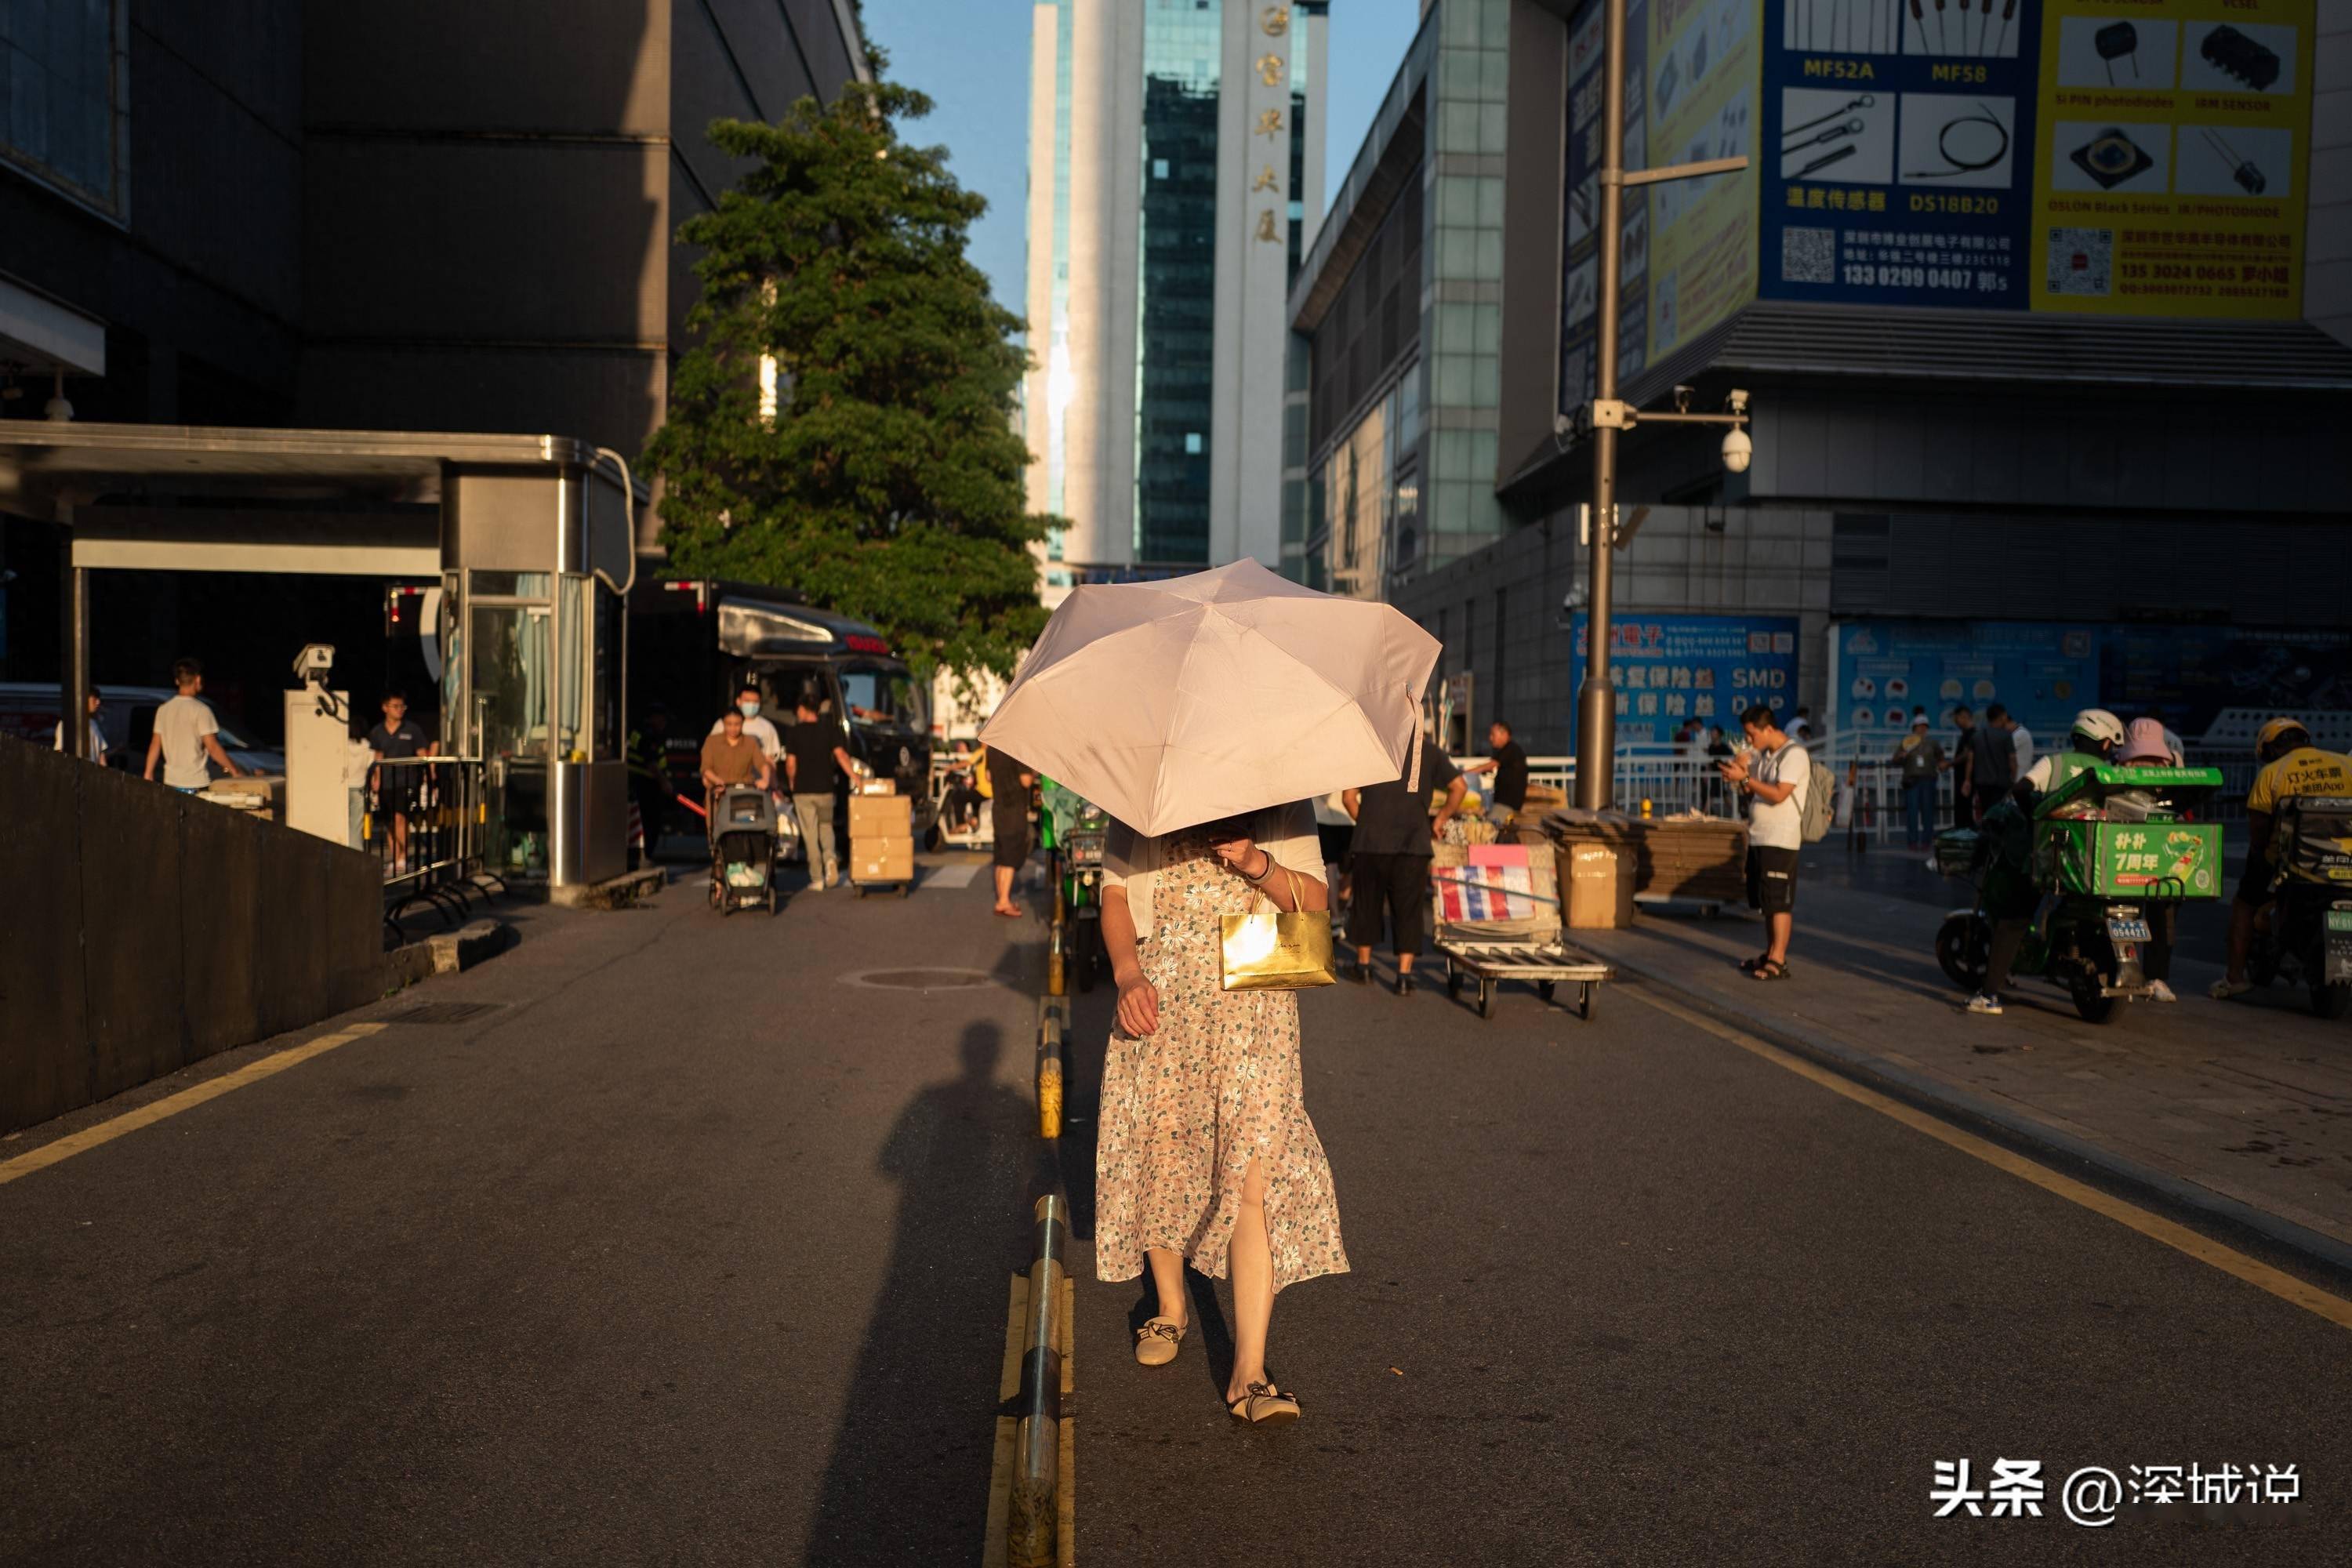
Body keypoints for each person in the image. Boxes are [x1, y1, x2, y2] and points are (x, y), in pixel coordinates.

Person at [1095, 799, 1342, 1425]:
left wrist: (1256, 862)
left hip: (1255, 997)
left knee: (1253, 1172)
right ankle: (1172, 1305)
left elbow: (1314, 906)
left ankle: (1249, 1373)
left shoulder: (1285, 796)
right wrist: (1128, 977)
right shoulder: (1145, 793)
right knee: (1167, 1153)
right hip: (1165, 992)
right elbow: (1117, 897)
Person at [2212, 717, 2352, 1001]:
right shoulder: (2346, 766)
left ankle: (2235, 978)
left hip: (2293, 866)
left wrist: (2262, 859)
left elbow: (2259, 834)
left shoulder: (2272, 774)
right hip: (2346, 863)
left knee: (2244, 903)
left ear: (2271, 749)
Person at [1343, 738, 1465, 994]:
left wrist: (1366, 822)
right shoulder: (1430, 752)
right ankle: (1404, 976)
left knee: (1366, 904)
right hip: (1413, 843)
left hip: (1371, 843)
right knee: (1409, 909)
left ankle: (1363, 966)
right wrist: (1440, 819)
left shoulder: (1372, 747)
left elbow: (1348, 798)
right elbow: (1459, 787)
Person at [1718, 703, 1808, 982]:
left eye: (1751, 734)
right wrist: (1741, 773)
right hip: (1761, 835)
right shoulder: (1766, 755)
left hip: (1781, 838)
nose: (1749, 740)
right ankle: (1770, 953)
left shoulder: (1794, 755)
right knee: (1766, 900)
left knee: (1779, 901)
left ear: (1768, 728)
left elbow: (1780, 794)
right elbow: (1751, 789)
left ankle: (1778, 960)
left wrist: (1745, 777)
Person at [2118, 717, 2186, 1003]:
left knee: (2129, 912)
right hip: (2161, 851)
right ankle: (2142, 975)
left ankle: (2137, 975)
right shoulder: (2173, 764)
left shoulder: (2119, 764)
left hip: (2130, 851)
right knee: (2153, 915)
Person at [1961, 783, 2042, 1016]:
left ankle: (1989, 996)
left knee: (2010, 924)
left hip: (2038, 861)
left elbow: (2021, 787)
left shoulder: (2053, 765)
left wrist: (2031, 813)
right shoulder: (2111, 772)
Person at [784, 691, 854, 891]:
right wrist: (857, 778)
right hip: (826, 790)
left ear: (804, 710)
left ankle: (817, 877)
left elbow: (791, 763)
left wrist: (791, 781)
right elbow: (841, 756)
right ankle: (830, 859)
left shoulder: (794, 732)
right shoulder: (830, 730)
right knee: (826, 827)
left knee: (810, 833)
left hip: (804, 790)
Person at [366, 691, 439, 873]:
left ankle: (403, 857)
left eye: (402, 706)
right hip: (387, 783)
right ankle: (395, 856)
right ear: (385, 708)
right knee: (389, 821)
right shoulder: (377, 731)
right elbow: (378, 758)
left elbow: (422, 753)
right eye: (396, 706)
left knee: (401, 818)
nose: (400, 710)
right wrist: (377, 780)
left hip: (407, 782)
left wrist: (429, 773)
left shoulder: (412, 729)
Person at [143, 658, 241, 793]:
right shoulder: (201, 710)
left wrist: (148, 773)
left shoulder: (163, 709)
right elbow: (212, 747)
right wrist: (235, 771)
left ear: (177, 681)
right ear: (198, 679)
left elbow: (155, 744)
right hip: (196, 782)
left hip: (171, 781)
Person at [700, 708, 775, 827]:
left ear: (743, 723)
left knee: (746, 829)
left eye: (737, 724)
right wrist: (717, 781)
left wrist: (765, 780)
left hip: (744, 794)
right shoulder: (712, 741)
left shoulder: (750, 742)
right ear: (723, 723)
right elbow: (706, 768)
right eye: (729, 724)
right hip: (719, 794)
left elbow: (762, 764)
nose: (733, 728)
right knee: (717, 831)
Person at [987, 745, 1036, 916]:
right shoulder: (1017, 749)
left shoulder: (992, 749)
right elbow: (1026, 781)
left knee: (1000, 857)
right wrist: (1035, 772)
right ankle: (1004, 901)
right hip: (1014, 810)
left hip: (998, 808)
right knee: (1010, 857)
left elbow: (988, 777)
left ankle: (1001, 898)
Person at [1891, 710, 1946, 849]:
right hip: (1912, 781)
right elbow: (1895, 759)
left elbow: (1941, 757)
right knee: (1912, 812)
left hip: (1928, 780)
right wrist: (1901, 756)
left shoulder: (1933, 743)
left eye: (1925, 726)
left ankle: (1927, 841)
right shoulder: (1907, 742)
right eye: (1919, 726)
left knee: (1928, 812)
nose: (1922, 728)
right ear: (1914, 728)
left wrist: (1942, 763)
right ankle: (1913, 841)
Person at [1461, 718, 1528, 830]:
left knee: (1488, 829)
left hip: (1506, 803)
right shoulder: (1509, 750)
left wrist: (1464, 773)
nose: (1490, 738)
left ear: (1504, 734)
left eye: (1493, 734)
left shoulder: (1511, 748)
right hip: (1504, 801)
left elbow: (1490, 765)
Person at [710, 681, 783, 768]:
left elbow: (771, 759)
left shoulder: (768, 727)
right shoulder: (722, 724)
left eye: (755, 702)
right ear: (738, 701)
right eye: (747, 701)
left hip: (756, 779)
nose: (752, 705)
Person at [1969, 703, 2018, 820]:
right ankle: (1995, 837)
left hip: (1981, 783)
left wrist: (1967, 780)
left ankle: (1986, 835)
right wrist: (2014, 779)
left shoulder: (1977, 736)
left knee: (1985, 812)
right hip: (2000, 783)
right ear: (2001, 717)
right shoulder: (2006, 736)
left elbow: (1970, 759)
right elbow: (2012, 760)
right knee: (1998, 814)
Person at [53, 686, 106, 761]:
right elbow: (60, 752)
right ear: (84, 699)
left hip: (92, 772)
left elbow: (101, 755)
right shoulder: (67, 723)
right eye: (95, 698)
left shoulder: (94, 724)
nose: (98, 702)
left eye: (99, 699)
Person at [1948, 706, 1979, 829]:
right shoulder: (1966, 734)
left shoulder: (1972, 734)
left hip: (1966, 778)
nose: (1956, 722)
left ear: (1964, 716)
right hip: (1963, 777)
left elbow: (1967, 755)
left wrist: (1949, 763)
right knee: (1962, 807)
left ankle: (1965, 833)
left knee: (1964, 807)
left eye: (1957, 719)